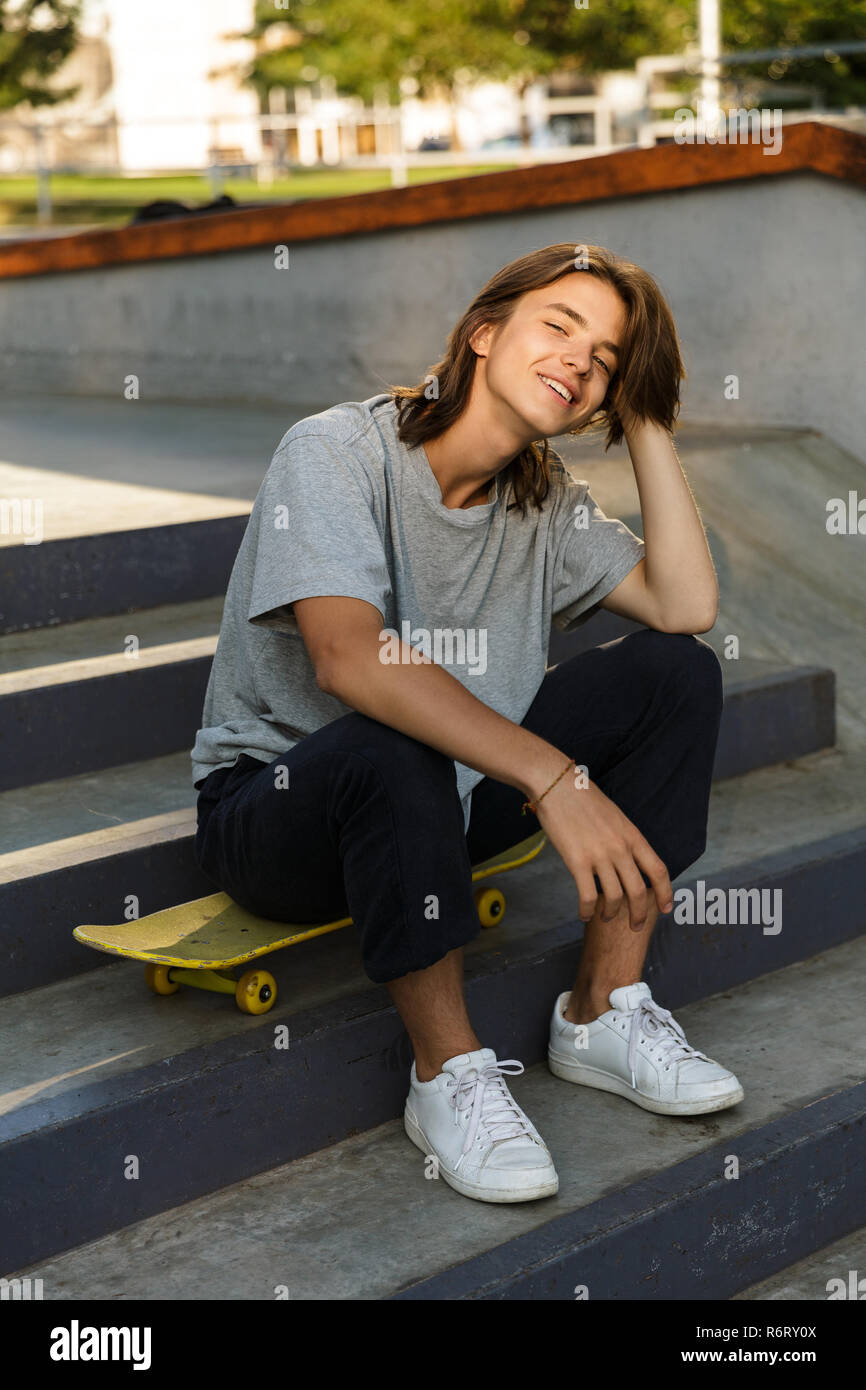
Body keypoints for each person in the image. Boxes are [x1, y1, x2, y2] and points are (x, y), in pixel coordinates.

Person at [191, 242, 743, 1206]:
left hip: (447, 800)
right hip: (281, 812)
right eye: (559, 326)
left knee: (674, 671)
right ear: (484, 334)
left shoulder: (546, 501)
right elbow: (349, 658)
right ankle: (448, 1073)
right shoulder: (335, 452)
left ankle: (603, 1011)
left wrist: (648, 417)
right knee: (394, 726)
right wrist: (554, 777)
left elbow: (685, 604)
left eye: (607, 359)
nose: (581, 360)